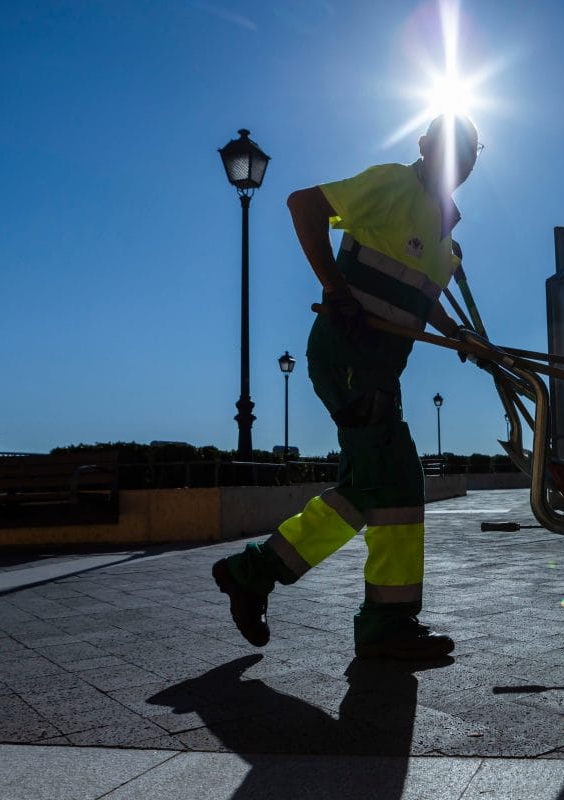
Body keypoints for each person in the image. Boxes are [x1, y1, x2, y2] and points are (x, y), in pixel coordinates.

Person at [212, 114, 482, 660]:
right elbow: (302, 204)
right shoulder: (393, 184)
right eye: (451, 148)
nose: (459, 160)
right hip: (348, 356)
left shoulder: (445, 228)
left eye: (469, 153)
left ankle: (268, 577)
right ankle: (376, 619)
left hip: (382, 369)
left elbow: (420, 299)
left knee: (381, 488)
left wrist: (461, 336)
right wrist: (335, 290)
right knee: (393, 480)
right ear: (425, 147)